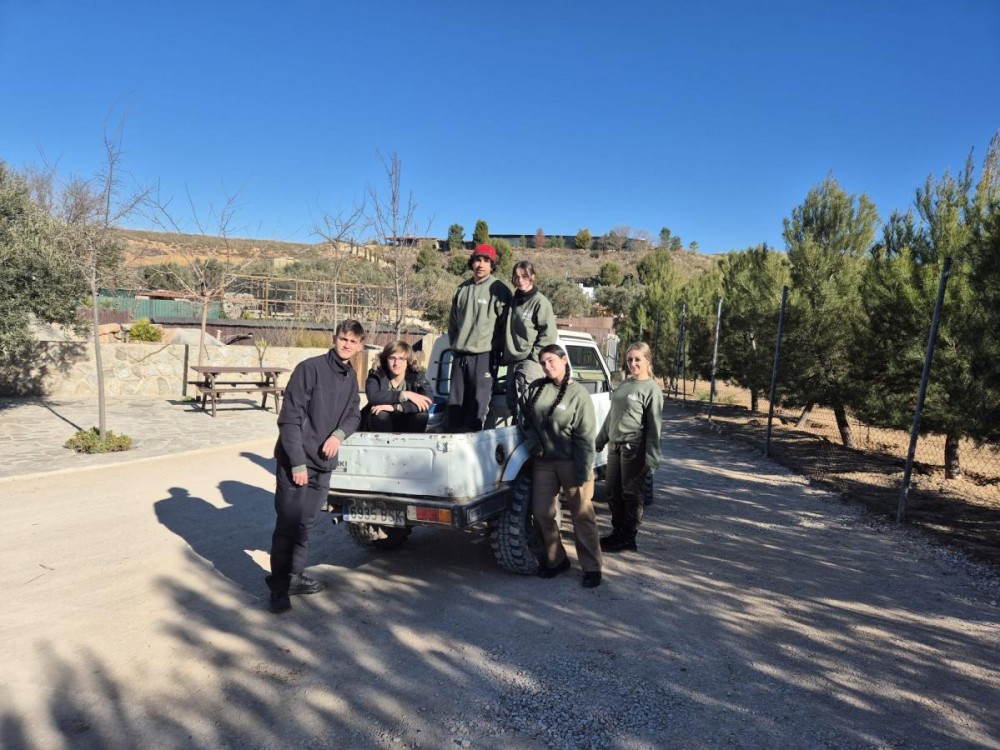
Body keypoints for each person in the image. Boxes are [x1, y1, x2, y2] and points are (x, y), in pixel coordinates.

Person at [266, 319, 366, 613]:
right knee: (287, 525)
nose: (347, 345)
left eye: (353, 341)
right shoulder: (309, 369)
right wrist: (297, 463)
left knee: (305, 525)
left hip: (323, 465)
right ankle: (279, 587)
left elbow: (354, 415)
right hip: (297, 464)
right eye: (343, 339)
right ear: (334, 338)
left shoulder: (350, 377)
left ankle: (294, 577)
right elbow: (290, 420)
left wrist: (339, 435)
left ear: (360, 346)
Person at [521, 344, 603, 588]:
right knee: (542, 513)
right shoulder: (537, 388)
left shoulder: (579, 394)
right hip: (544, 462)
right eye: (543, 363)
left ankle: (592, 567)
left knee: (582, 515)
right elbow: (524, 418)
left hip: (572, 462)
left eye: (551, 361)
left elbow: (586, 436)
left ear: (564, 360)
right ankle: (557, 560)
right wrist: (534, 443)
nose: (547, 366)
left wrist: (583, 471)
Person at [595, 341, 663, 554]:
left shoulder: (651, 390)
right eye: (630, 359)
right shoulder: (625, 384)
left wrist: (652, 457)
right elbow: (611, 416)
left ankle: (628, 537)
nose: (633, 364)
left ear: (648, 361)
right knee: (611, 491)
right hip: (615, 446)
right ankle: (617, 532)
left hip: (634, 447)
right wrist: (600, 440)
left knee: (631, 494)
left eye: (637, 359)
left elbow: (654, 426)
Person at [446, 243, 512, 432]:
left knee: (477, 410)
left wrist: (499, 352)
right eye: (477, 260)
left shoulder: (499, 290)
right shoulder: (461, 289)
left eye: (486, 261)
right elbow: (452, 324)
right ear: (472, 262)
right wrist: (455, 346)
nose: (481, 264)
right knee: (455, 408)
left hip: (485, 357)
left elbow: (505, 326)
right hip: (460, 357)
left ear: (492, 265)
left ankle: (472, 447)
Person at [502, 260, 557, 421]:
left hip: (530, 363)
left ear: (532, 277)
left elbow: (548, 335)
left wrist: (534, 357)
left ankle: (529, 438)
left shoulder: (540, 302)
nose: (520, 280)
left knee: (527, 408)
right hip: (513, 362)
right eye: (516, 276)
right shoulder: (513, 301)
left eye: (524, 276)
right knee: (513, 407)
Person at [363, 341, 433, 433]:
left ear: (408, 361)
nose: (396, 363)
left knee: (421, 415)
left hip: (406, 420)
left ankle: (413, 441)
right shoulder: (376, 374)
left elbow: (427, 400)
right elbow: (373, 396)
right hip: (379, 423)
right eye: (392, 358)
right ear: (386, 359)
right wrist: (404, 395)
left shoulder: (416, 376)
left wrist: (396, 407)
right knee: (380, 414)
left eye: (401, 359)